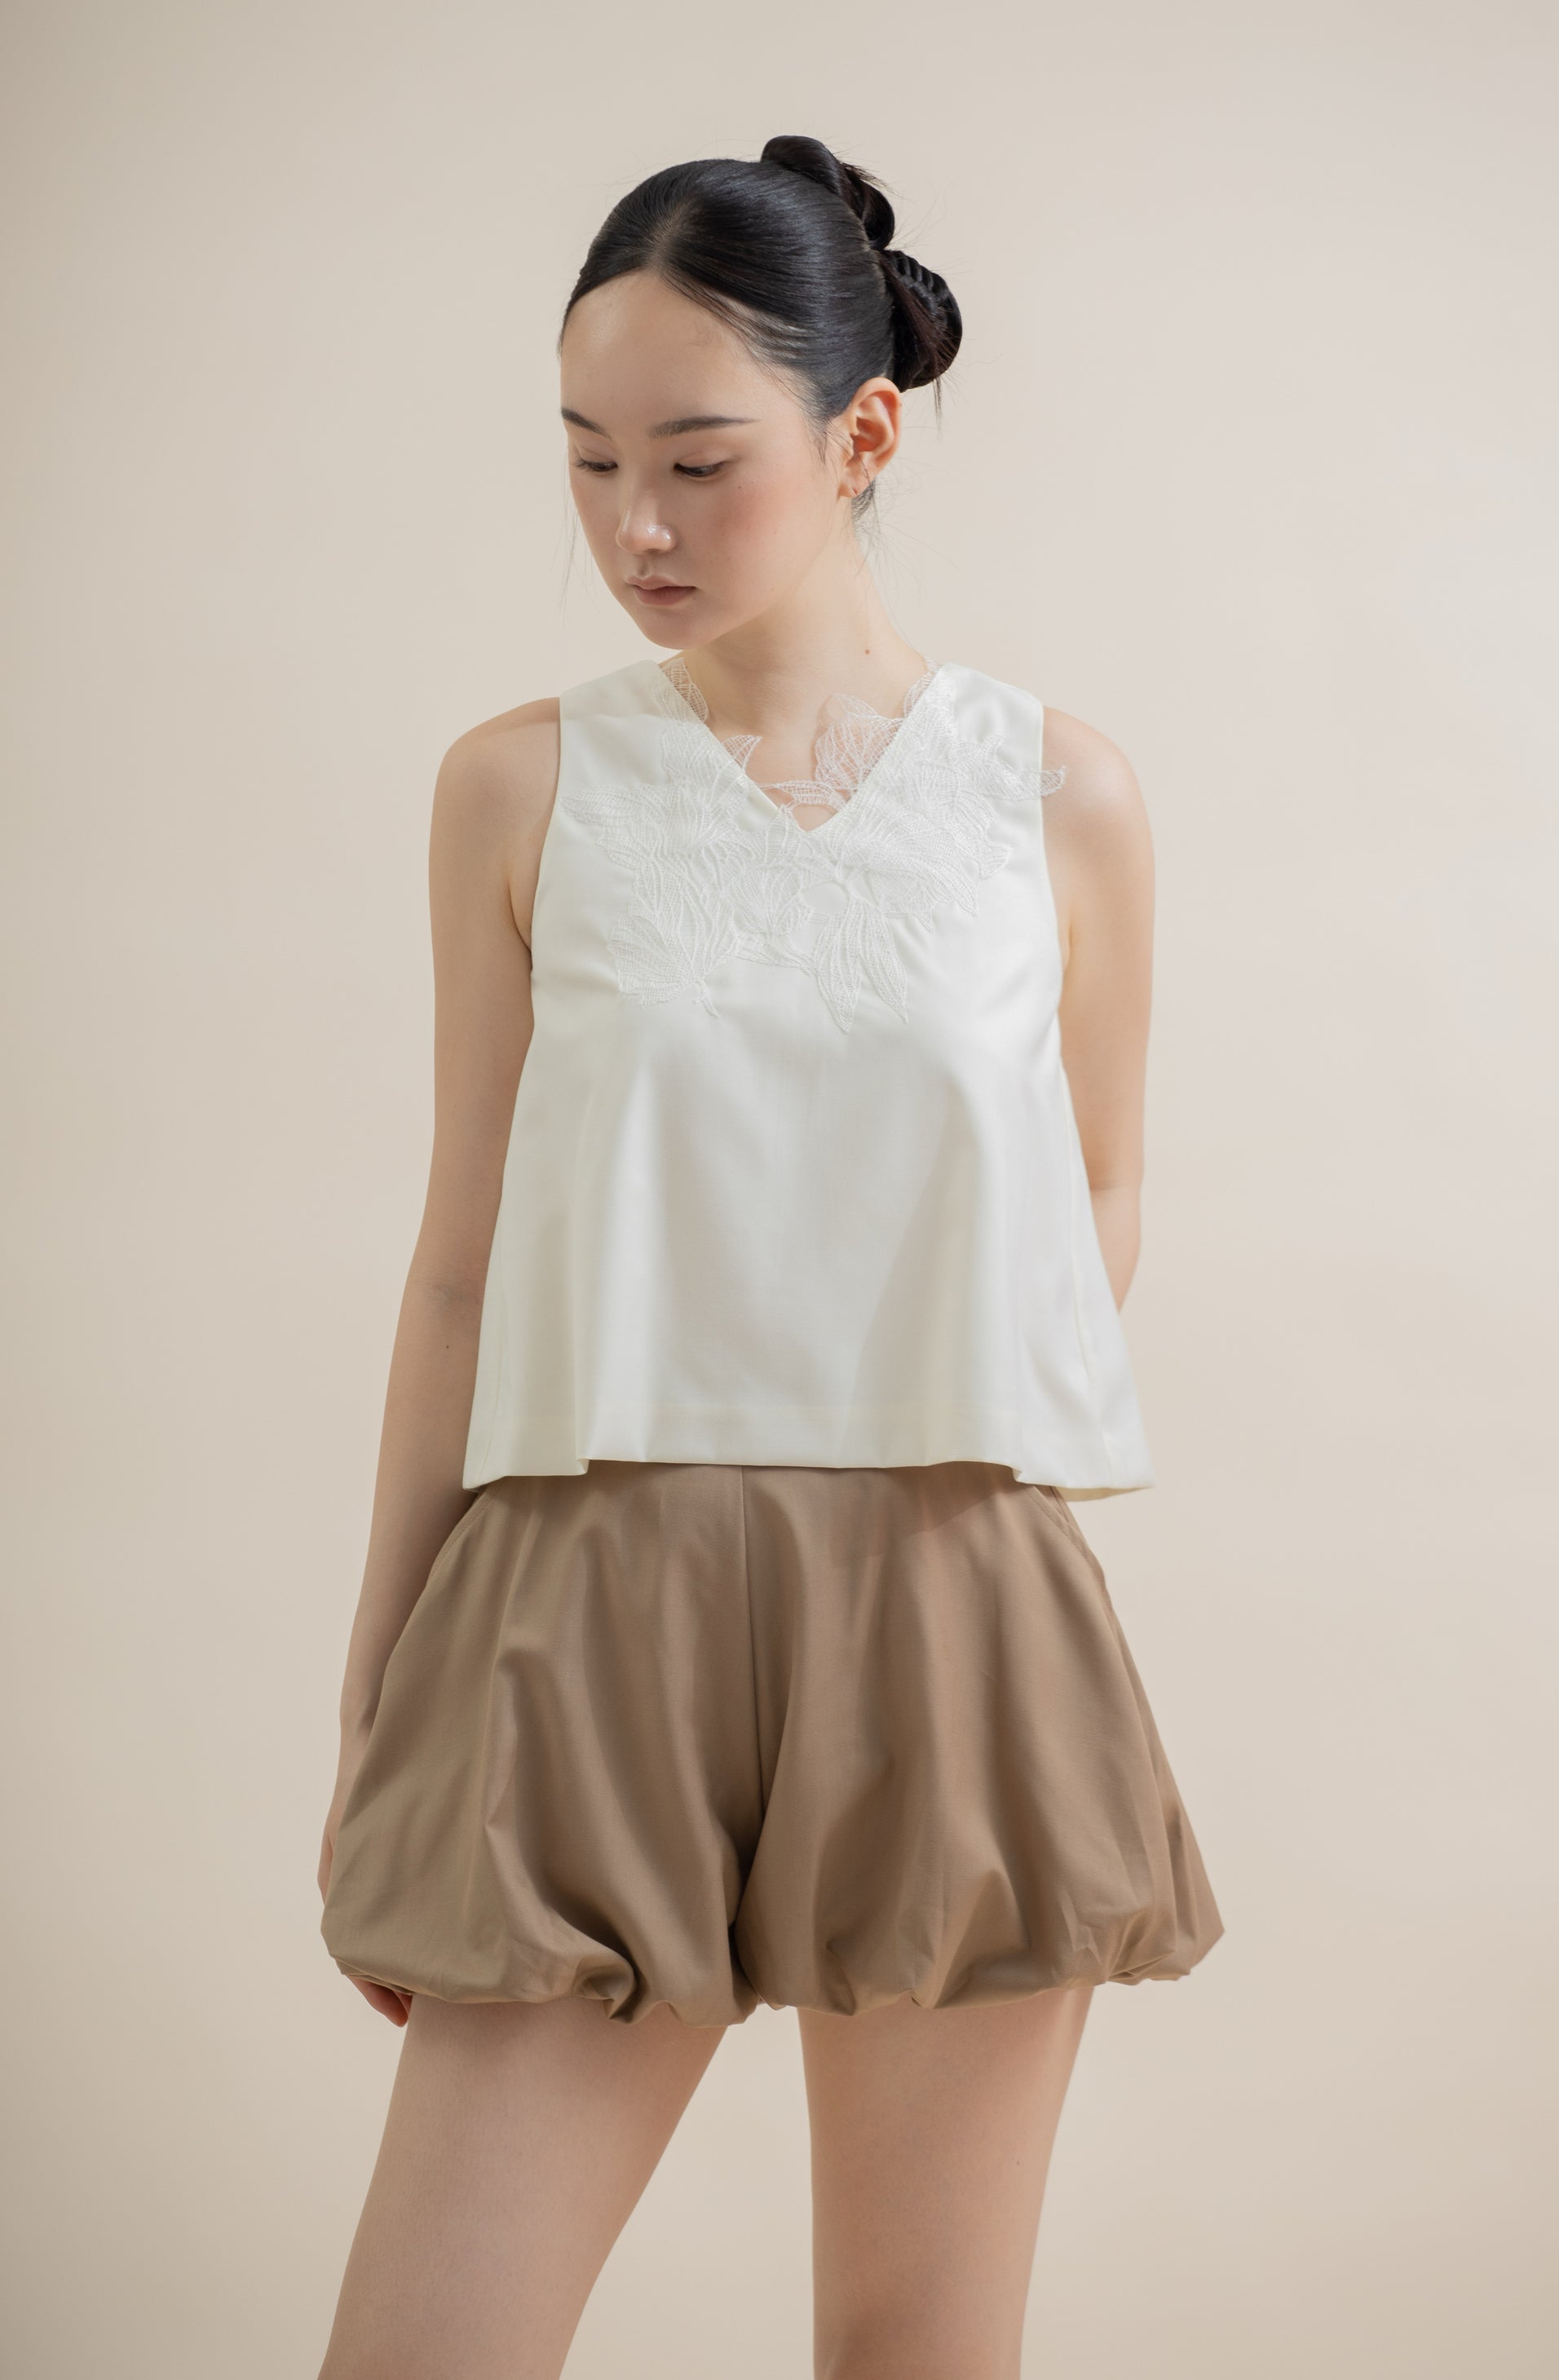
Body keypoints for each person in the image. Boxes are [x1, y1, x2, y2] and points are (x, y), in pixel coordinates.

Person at [315, 132, 1223, 2380]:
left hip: (947, 1610)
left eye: (697, 462)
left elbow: (1103, 1185)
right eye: (589, 460)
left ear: (863, 433)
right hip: (581, 1610)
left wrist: (927, 1414)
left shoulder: (1061, 796)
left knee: (917, 2353)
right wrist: (383, 1686)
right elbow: (460, 1263)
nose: (634, 525)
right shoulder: (519, 788)